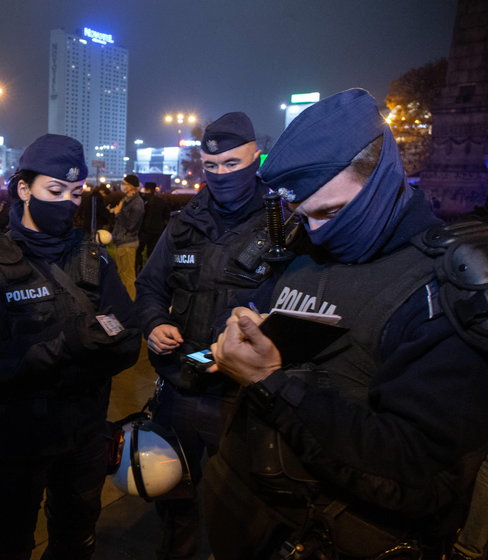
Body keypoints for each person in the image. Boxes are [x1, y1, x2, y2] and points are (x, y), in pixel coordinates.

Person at [205, 89, 488, 559]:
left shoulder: (441, 291)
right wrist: (239, 325)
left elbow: (420, 479)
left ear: (381, 177)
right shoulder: (304, 249)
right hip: (248, 510)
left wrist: (271, 383)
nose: (316, 230)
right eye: (304, 214)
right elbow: (248, 307)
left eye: (332, 212)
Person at [0, 133, 141, 560]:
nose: (68, 203)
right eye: (55, 191)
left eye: (76, 193)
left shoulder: (93, 257)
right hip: (18, 442)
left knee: (76, 539)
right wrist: (67, 344)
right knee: (11, 542)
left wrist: (107, 347)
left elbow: (129, 337)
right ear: (24, 189)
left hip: (85, 435)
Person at [134, 112, 272, 560]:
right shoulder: (184, 223)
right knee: (175, 498)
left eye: (232, 164)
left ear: (255, 156)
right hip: (183, 386)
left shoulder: (283, 226)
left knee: (242, 508)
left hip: (244, 398)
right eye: (211, 167)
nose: (221, 175)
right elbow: (151, 286)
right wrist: (155, 324)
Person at [109, 173, 144, 298]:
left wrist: (119, 213)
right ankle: (124, 299)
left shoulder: (137, 203)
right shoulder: (126, 200)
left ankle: (133, 301)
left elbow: (131, 225)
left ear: (132, 186)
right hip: (120, 241)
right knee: (121, 273)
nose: (122, 186)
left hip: (128, 243)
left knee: (128, 275)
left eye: (125, 184)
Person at [135, 181, 168, 275]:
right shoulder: (162, 201)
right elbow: (166, 216)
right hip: (157, 231)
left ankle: (139, 268)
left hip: (144, 230)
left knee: (138, 251)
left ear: (146, 189)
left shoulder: (142, 200)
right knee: (152, 252)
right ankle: (151, 271)